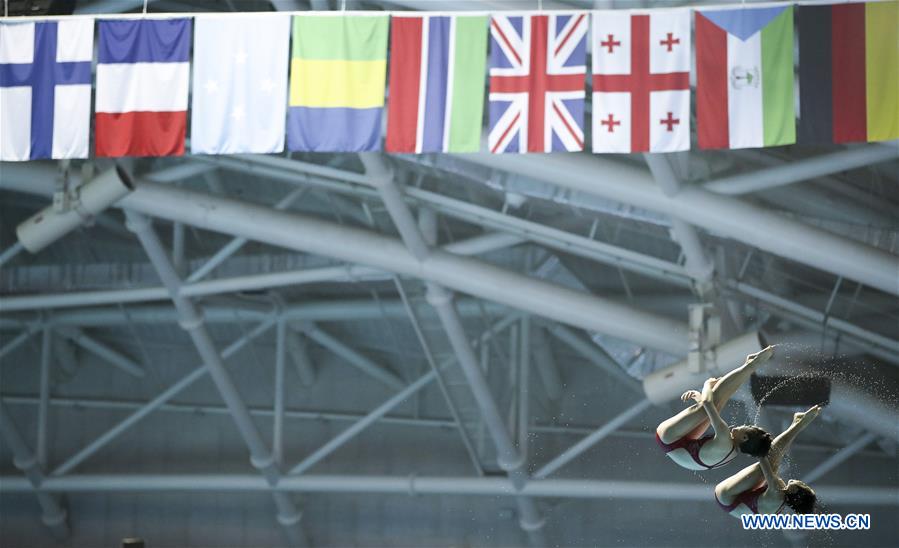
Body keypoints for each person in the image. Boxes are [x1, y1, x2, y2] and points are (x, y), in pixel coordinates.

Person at [655, 345, 776, 471]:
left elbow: (707, 402)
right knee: (715, 406)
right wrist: (700, 399)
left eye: (749, 427)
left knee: (712, 403)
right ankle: (748, 366)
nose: (745, 425)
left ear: (745, 438)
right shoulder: (731, 450)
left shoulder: (725, 438)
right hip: (682, 444)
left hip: (670, 438)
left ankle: (751, 365)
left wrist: (707, 384)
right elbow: (709, 407)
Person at [715, 404, 821, 516]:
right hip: (735, 501)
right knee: (774, 465)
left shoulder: (776, 495)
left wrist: (757, 446)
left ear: (796, 491)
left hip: (727, 497)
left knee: (770, 461)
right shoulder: (780, 496)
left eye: (804, 486)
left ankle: (799, 424)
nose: (802, 482)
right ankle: (797, 424)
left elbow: (764, 460)